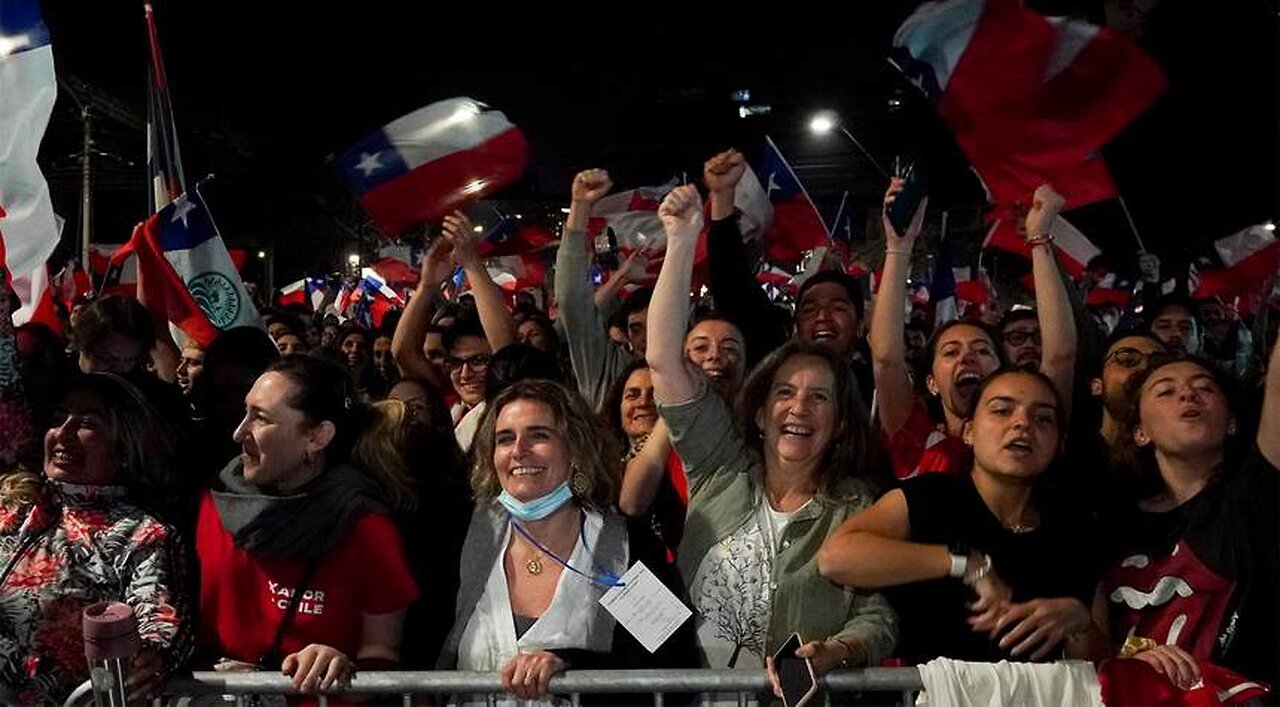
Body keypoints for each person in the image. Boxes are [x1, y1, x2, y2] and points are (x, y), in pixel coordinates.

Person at [649, 185, 896, 684]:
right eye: (784, 393)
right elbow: (662, 360)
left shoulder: (859, 507)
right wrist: (681, 240)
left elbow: (880, 617)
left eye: (819, 397)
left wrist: (839, 650)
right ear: (761, 413)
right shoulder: (718, 467)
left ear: (841, 422)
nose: (799, 407)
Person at [818, 368, 1105, 664]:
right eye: (1002, 410)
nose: (1023, 424)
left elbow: (1101, 664)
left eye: (1043, 418)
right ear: (969, 432)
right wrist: (963, 563)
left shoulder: (1075, 530)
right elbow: (836, 558)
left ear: (1059, 443)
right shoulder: (928, 498)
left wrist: (1080, 623)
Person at [437, 379, 696, 706]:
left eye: (539, 435)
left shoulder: (621, 547)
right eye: (505, 439)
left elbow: (674, 661)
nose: (518, 450)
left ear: (576, 449)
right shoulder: (461, 543)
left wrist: (572, 664)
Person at [194, 356, 418, 696]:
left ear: (317, 437)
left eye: (261, 418)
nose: (239, 432)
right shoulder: (216, 503)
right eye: (245, 412)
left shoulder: (366, 528)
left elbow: (383, 655)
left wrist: (341, 665)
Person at [0, 373, 190, 704]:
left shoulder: (142, 533)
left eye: (87, 423)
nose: (63, 433)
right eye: (59, 419)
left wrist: (153, 656)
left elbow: (158, 617)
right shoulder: (11, 504)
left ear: (124, 446)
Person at [1101, 341, 1280, 691]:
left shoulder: (1255, 498)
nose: (1188, 396)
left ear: (1231, 423)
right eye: (1166, 391)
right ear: (1140, 432)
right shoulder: (1106, 523)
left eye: (1204, 387)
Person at [871, 181, 1077, 479]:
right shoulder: (918, 441)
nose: (967, 358)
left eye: (982, 350)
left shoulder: (1031, 437)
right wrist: (898, 247)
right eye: (951, 352)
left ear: (1001, 368)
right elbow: (887, 359)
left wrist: (1039, 238)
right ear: (931, 382)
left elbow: (1060, 356)